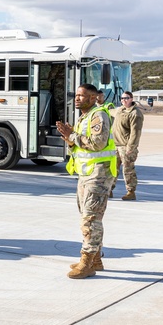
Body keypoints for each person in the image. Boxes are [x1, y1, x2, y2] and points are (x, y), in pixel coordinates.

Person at [56, 83, 117, 279]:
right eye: (77, 95)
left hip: (98, 175)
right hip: (87, 174)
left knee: (90, 219)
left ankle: (87, 262)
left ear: (92, 98)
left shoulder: (98, 115)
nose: (77, 98)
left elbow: (98, 143)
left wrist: (72, 135)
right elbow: (81, 146)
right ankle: (96, 259)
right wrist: (69, 138)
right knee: (89, 217)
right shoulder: (85, 117)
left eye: (82, 96)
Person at [113, 91, 145, 201]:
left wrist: (130, 148)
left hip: (125, 146)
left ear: (131, 99)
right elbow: (110, 112)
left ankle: (131, 191)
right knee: (112, 169)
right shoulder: (120, 110)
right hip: (115, 145)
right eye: (122, 98)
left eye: (126, 98)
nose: (123, 100)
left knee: (128, 170)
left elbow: (135, 133)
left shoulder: (135, 114)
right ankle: (109, 190)